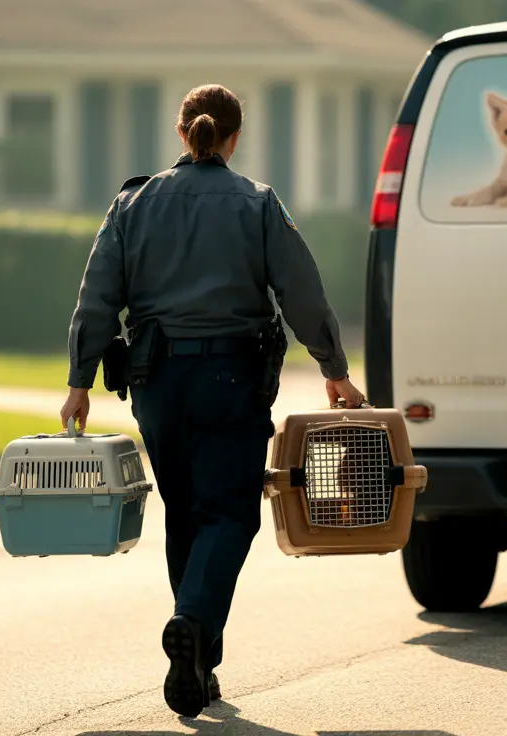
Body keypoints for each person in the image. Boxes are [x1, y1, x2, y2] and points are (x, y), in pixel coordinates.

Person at [58, 83, 365, 718]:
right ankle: (193, 624)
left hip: (155, 384)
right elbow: (302, 292)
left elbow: (96, 295)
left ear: (182, 135)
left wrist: (79, 380)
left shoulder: (133, 202)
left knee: (187, 513)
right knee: (230, 515)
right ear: (233, 137)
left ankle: (198, 660)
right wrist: (334, 369)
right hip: (231, 378)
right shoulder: (256, 203)